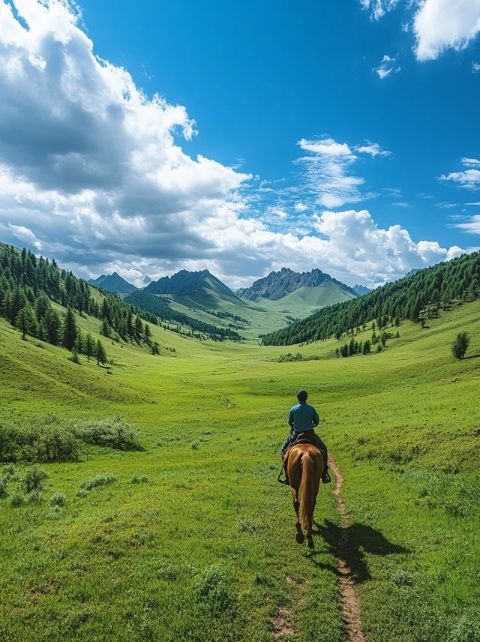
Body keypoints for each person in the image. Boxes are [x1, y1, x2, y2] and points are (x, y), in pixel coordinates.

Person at [281, 389, 331, 483]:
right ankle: (324, 474)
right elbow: (317, 421)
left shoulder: (293, 409)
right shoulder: (311, 408)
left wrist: (294, 425)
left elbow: (289, 422)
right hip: (309, 433)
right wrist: (313, 424)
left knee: (283, 449)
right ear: (306, 398)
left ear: (298, 398)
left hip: (296, 434)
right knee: (324, 449)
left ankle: (287, 475)